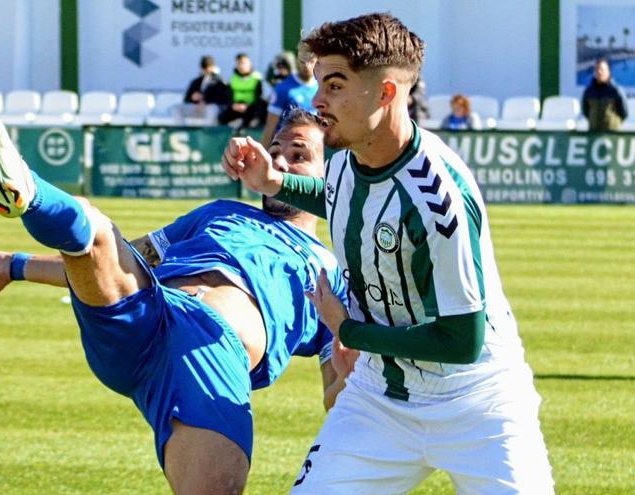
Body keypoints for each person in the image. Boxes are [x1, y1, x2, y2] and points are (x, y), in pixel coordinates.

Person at [0, 91, 355, 495]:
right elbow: (126, 260)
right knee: (97, 233)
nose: (278, 161)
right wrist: (16, 265)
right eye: (275, 150)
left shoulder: (335, 274)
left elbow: (335, 399)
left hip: (209, 356)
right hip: (148, 312)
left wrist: (351, 375)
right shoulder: (219, 211)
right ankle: (26, 188)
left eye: (299, 155)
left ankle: (31, 190)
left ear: (333, 176)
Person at [222, 13, 553, 493]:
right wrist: (273, 182)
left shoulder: (438, 198)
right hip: (378, 399)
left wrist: (348, 328)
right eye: (319, 84)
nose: (317, 101)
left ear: (386, 93)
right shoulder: (349, 160)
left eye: (335, 85)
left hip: (477, 401)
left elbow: (460, 340)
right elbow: (337, 196)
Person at [260, 44, 318, 148]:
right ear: (296, 62)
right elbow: (270, 128)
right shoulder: (282, 89)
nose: (306, 66)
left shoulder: (321, 87)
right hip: (286, 150)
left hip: (312, 148)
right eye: (302, 62)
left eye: (311, 61)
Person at [218, 53, 266, 128]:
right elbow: (227, 97)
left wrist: (248, 106)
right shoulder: (232, 79)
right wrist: (233, 105)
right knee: (222, 117)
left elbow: (260, 97)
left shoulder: (257, 78)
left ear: (249, 64)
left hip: (251, 108)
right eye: (238, 63)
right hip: (236, 107)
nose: (241, 65)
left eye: (243, 63)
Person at [581, 58, 628, 131]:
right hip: (593, 133)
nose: (599, 72)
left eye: (602, 69)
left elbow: (624, 113)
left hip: (612, 135)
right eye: (597, 69)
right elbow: (585, 112)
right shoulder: (588, 91)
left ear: (608, 71)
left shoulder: (616, 91)